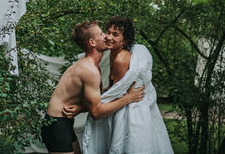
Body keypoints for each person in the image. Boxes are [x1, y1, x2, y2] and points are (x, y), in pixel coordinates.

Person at [64, 16, 174, 154]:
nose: (108, 37)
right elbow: (113, 89)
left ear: (125, 39)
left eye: (115, 34)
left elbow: (113, 97)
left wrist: (81, 108)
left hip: (131, 112)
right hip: (123, 103)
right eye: (108, 32)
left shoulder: (121, 58)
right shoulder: (112, 52)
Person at [41, 20, 145, 154]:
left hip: (63, 122)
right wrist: (128, 98)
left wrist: (81, 107)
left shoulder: (92, 65)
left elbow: (95, 98)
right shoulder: (89, 70)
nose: (106, 37)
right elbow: (96, 112)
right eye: (102, 34)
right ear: (92, 43)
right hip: (56, 124)